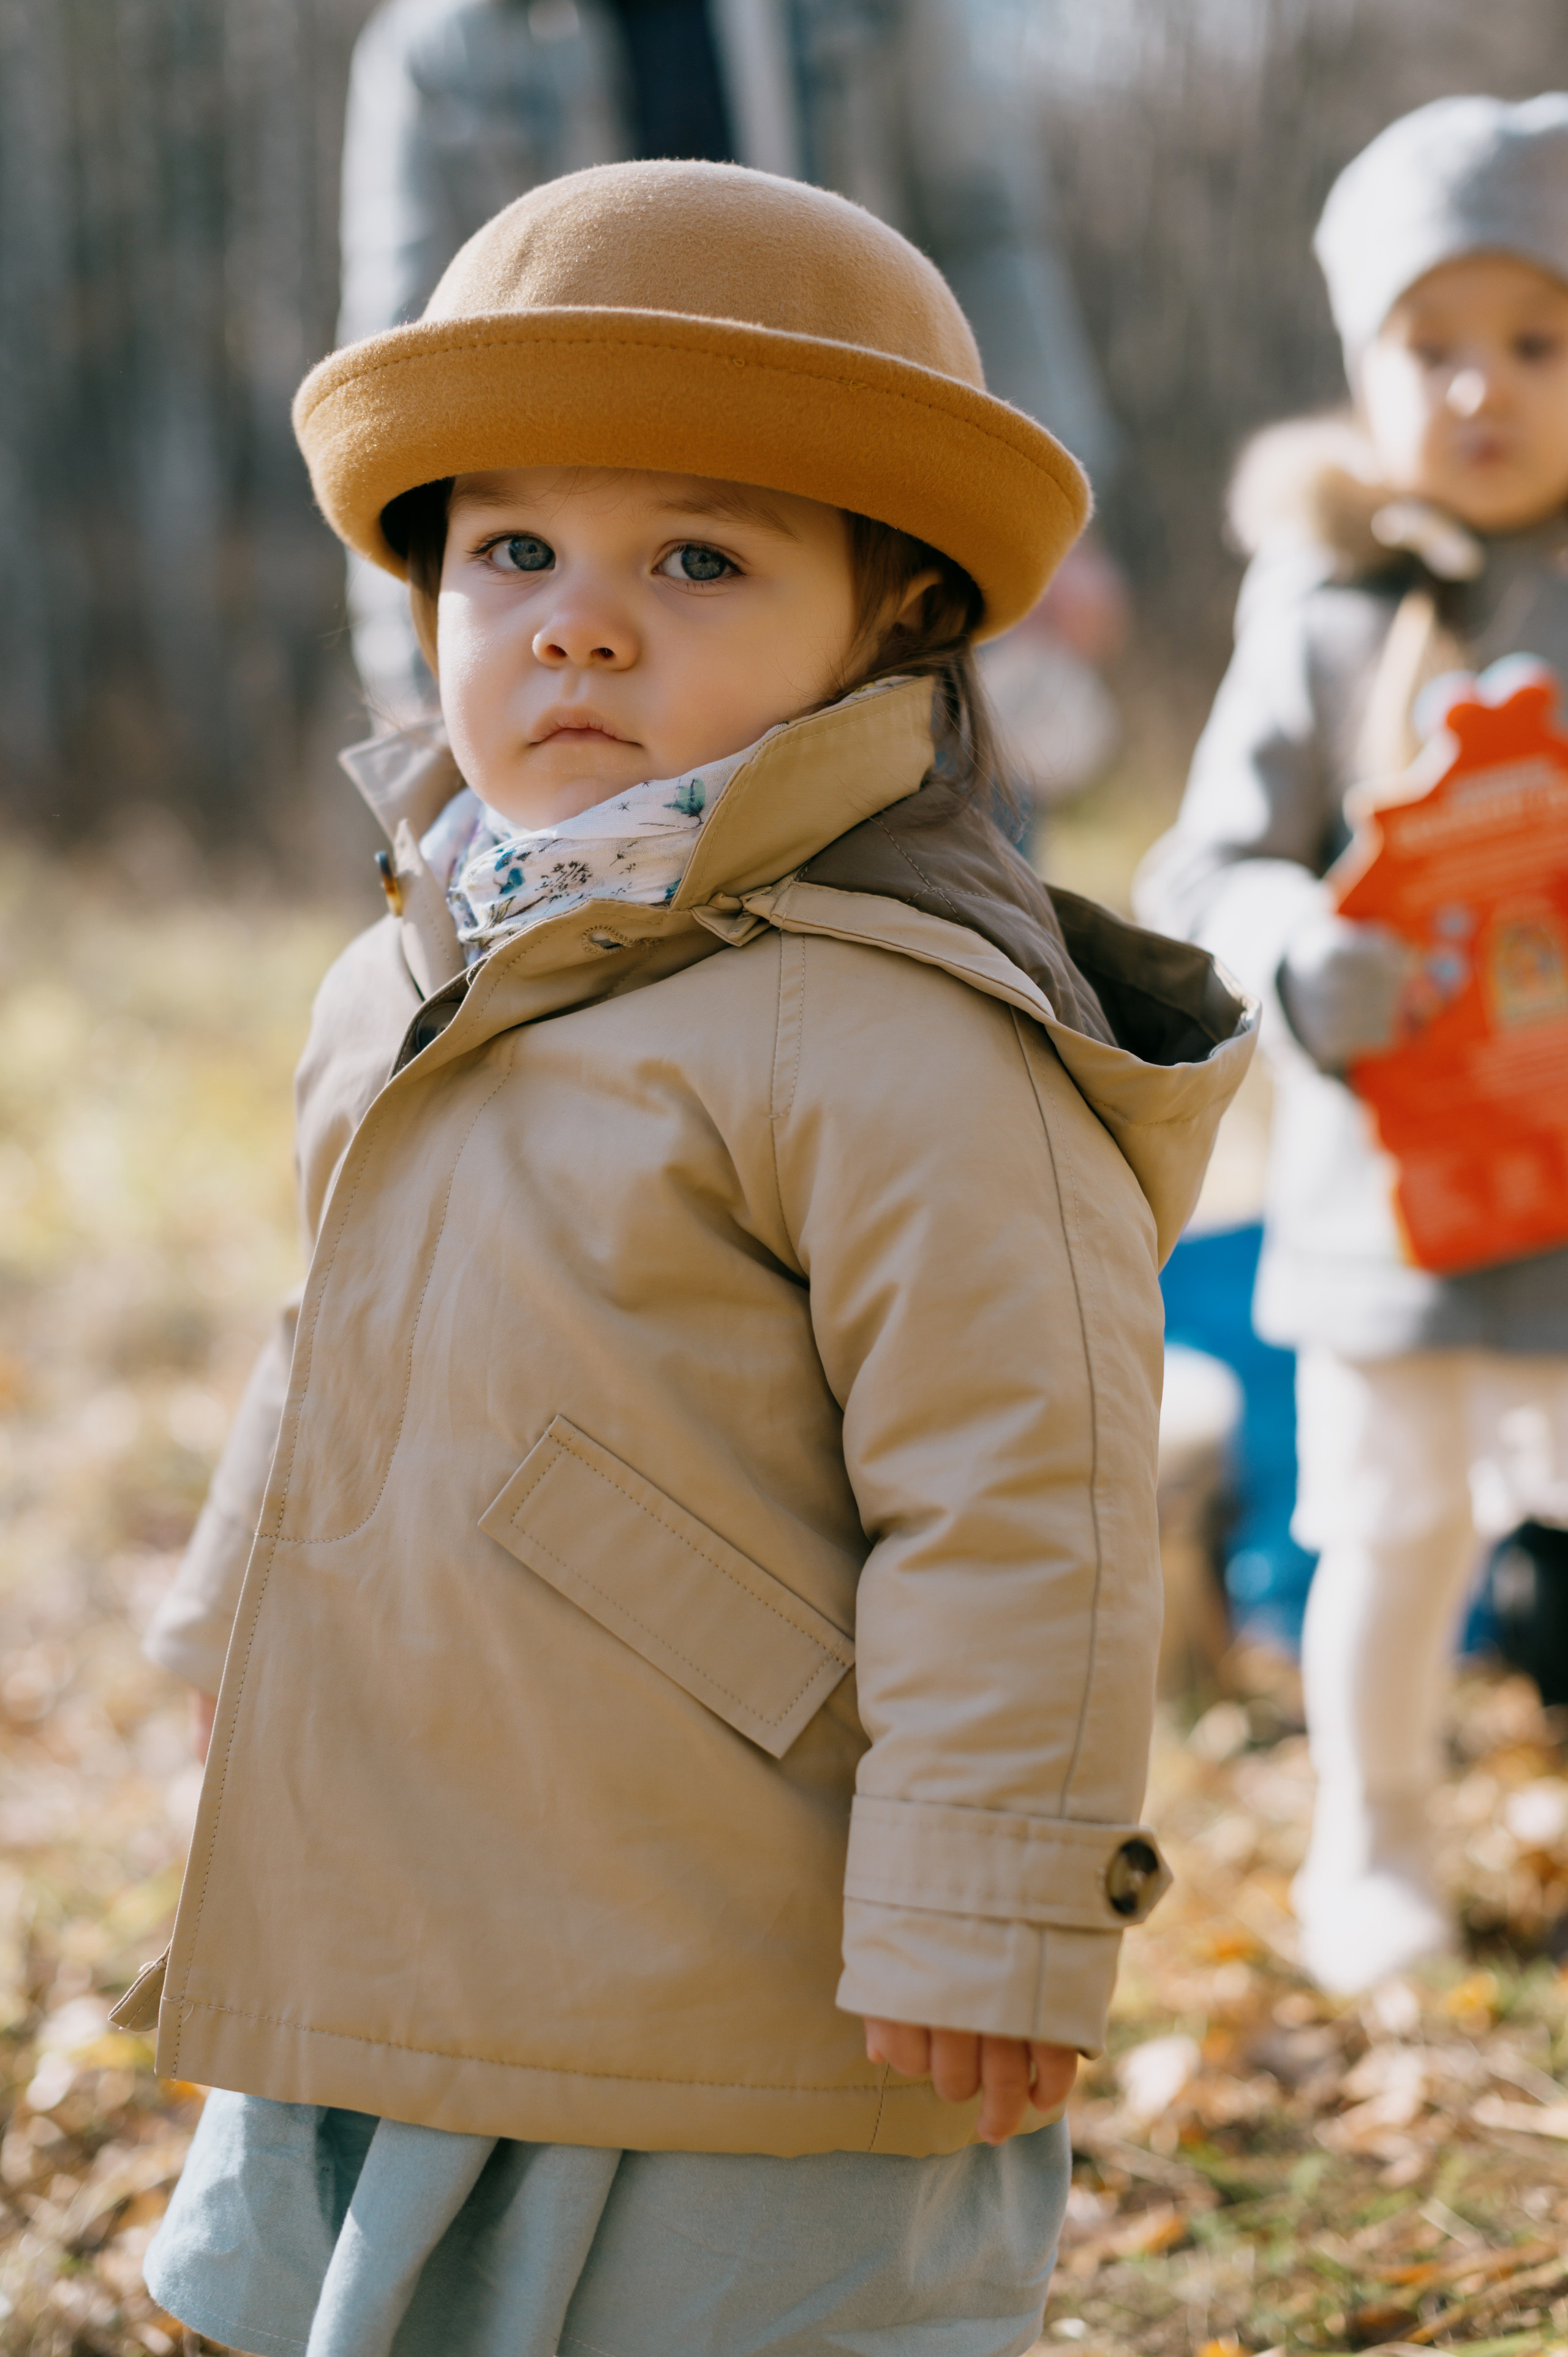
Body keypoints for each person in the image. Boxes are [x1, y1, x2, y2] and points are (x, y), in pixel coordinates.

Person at [122, 162, 1253, 2355]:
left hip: (743, 1932)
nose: (579, 620)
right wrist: (222, 1638)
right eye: (515, 549)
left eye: (699, 557)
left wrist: (993, 1900)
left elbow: (1029, 1488)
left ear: (895, 619)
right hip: (412, 1879)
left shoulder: (900, 1026)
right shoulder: (410, 972)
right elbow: (321, 1343)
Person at [1136, 95, 1568, 1996]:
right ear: (1362, 365)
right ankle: (1376, 1833)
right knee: (1387, 1533)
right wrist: (1293, 939)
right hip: (1391, 1184)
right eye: (1431, 346)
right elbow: (1207, 853)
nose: (1482, 389)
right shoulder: (1326, 605)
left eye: (1536, 342)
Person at [337, 0, 1126, 796]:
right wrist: (413, 693)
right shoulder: (444, 46)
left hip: (855, 504)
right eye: (515, 554)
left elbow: (983, 229)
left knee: (938, 804)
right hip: (574, 479)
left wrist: (1055, 528)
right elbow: (400, 372)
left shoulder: (882, 14)